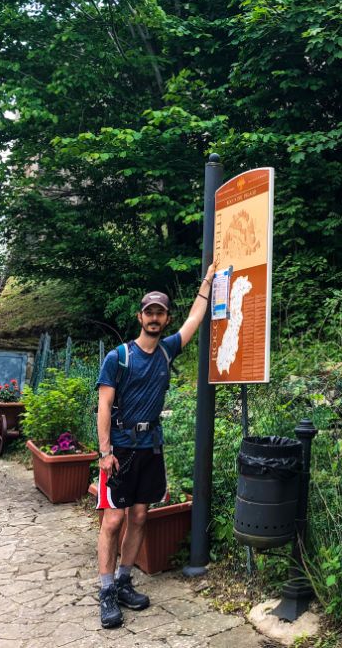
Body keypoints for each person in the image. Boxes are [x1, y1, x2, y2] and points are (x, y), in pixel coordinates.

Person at [94, 263, 217, 629]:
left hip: (151, 448)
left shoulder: (167, 350)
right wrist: (104, 453)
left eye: (160, 313)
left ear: (165, 318)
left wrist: (208, 280)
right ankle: (105, 592)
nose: (154, 318)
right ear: (140, 316)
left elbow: (195, 319)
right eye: (149, 312)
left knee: (141, 517)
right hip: (120, 449)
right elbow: (103, 405)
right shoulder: (119, 357)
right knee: (114, 520)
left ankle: (124, 580)